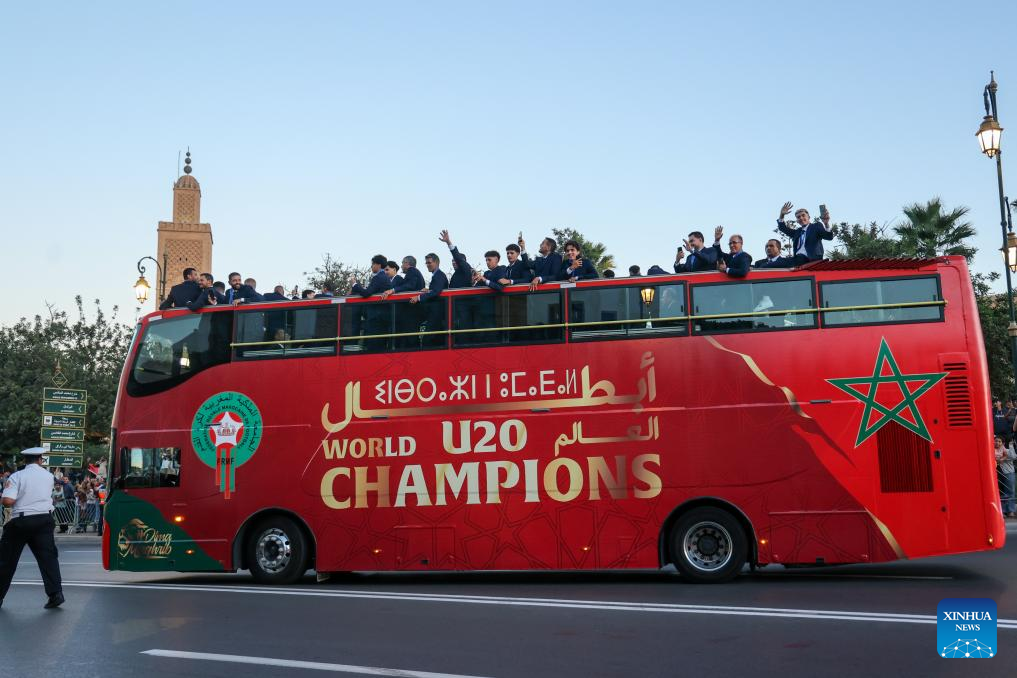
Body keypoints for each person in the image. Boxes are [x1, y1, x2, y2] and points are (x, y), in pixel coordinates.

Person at [0, 447, 64, 609]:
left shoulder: (17, 476)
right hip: (44, 519)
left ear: (24, 461)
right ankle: (56, 594)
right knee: (48, 558)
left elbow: (7, 501)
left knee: (6, 560)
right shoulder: (49, 476)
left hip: (22, 520)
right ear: (40, 460)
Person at [994, 436, 1016, 518]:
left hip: (1008, 473)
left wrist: (1011, 446)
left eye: (999, 441)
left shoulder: (1007, 450)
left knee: (1010, 491)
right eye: (996, 441)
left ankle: (1010, 510)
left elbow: (1014, 456)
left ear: (1003, 443)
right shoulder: (992, 450)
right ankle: (1002, 511)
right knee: (1000, 492)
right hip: (997, 473)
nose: (997, 443)